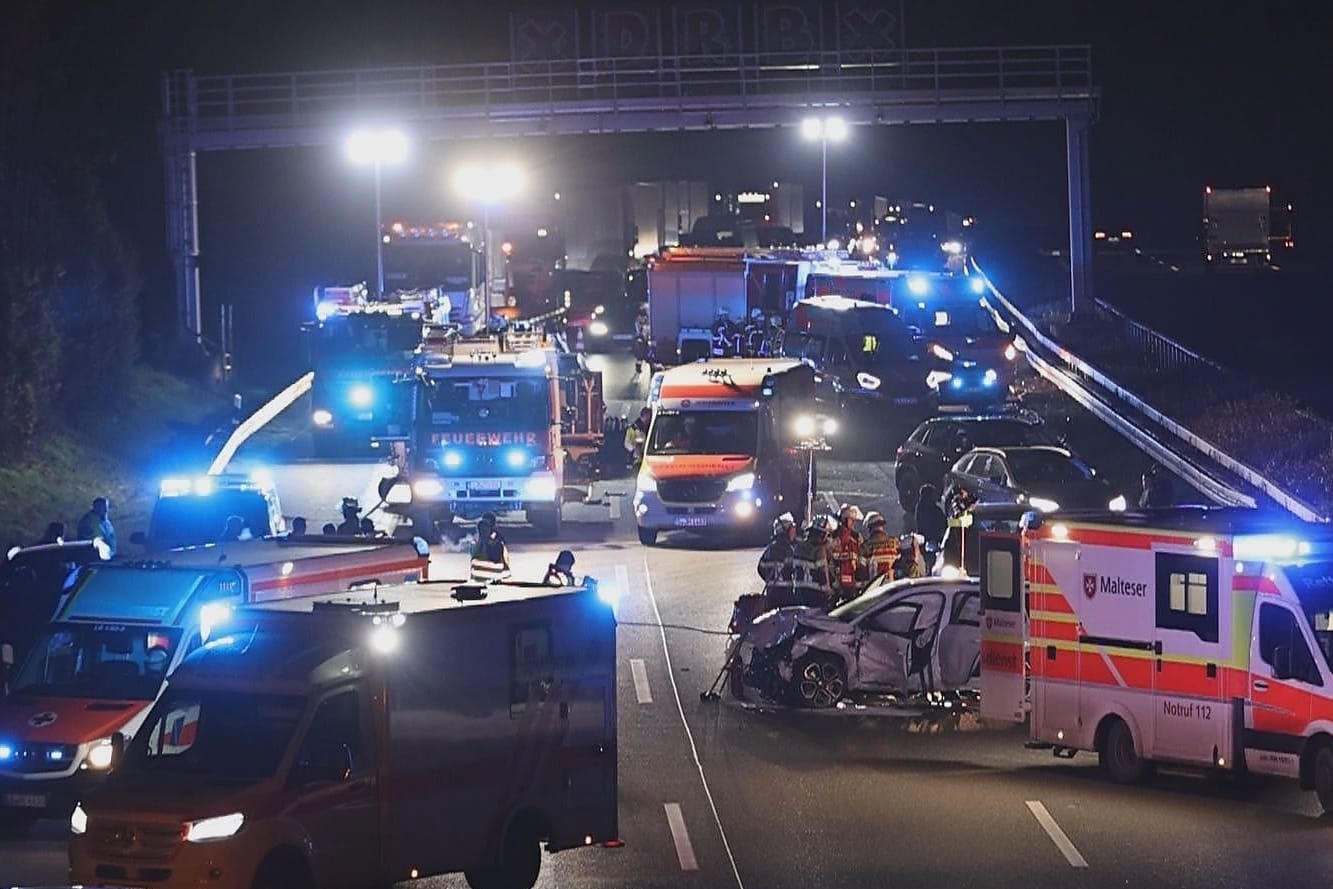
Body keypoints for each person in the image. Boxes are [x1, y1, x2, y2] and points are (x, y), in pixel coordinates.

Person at [791, 515, 836, 608]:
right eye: (828, 535)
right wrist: (831, 591)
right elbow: (823, 578)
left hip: (799, 595)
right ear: (822, 534)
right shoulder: (820, 551)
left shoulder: (798, 547)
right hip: (816, 598)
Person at [758, 512, 798, 606]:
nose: (794, 532)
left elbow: (760, 568)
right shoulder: (790, 550)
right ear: (786, 531)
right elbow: (796, 571)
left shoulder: (769, 549)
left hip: (771, 594)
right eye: (792, 529)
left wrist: (771, 580)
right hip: (786, 595)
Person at [828, 504, 864, 604]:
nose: (854, 523)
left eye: (854, 520)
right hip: (837, 584)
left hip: (852, 584)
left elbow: (860, 559)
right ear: (844, 520)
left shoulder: (856, 538)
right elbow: (829, 558)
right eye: (851, 520)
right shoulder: (834, 536)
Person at [859, 511, 900, 584]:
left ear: (870, 528)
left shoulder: (865, 547)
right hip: (891, 585)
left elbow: (862, 572)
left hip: (874, 587)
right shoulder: (895, 543)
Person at [470, 512, 511, 583]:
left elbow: (473, 555)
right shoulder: (499, 540)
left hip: (478, 575)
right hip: (496, 574)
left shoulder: (476, 541)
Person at [914, 484, 948, 549]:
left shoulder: (920, 507)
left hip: (923, 538)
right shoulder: (933, 509)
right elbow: (943, 522)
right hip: (933, 539)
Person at [633, 307, 650, 375]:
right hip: (641, 338)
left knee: (644, 354)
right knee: (640, 354)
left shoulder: (645, 319)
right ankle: (638, 367)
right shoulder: (639, 320)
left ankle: (639, 366)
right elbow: (639, 329)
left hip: (644, 338)